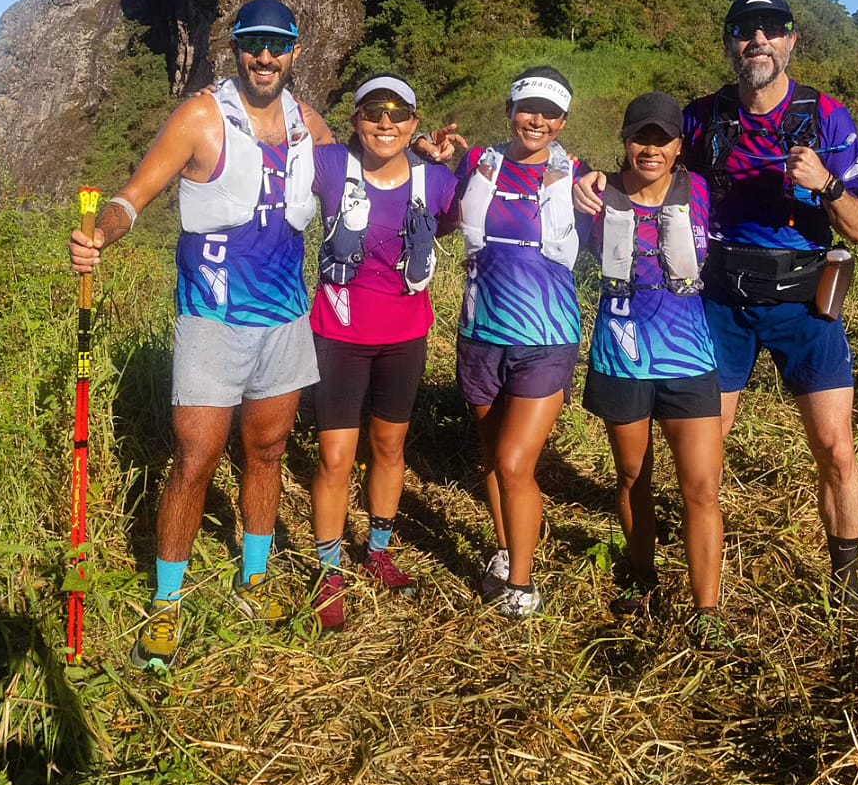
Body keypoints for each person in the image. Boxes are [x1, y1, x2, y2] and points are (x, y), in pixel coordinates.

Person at [577, 0, 858, 608]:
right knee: (703, 461)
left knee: (836, 448)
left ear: (792, 40)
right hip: (720, 301)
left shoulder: (828, 118)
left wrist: (824, 185)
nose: (758, 39)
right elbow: (648, 163)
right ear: (729, 43)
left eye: (771, 28)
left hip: (803, 299)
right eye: (745, 29)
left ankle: (844, 584)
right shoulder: (701, 117)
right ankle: (683, 583)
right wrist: (601, 180)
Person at [69, 0, 333, 668]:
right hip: (211, 319)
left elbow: (363, 183)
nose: (265, 56)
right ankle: (167, 604)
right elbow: (136, 195)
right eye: (253, 44)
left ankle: (254, 578)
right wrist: (103, 233)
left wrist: (424, 157)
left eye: (277, 44)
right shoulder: (201, 117)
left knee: (268, 451)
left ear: (294, 50)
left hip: (284, 318)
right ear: (237, 49)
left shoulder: (312, 128)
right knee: (195, 460)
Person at [307, 74, 464, 631]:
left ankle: (377, 549)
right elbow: (288, 112)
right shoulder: (329, 167)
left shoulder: (438, 180)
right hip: (339, 334)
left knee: (391, 447)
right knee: (334, 457)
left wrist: (448, 154)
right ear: (355, 121)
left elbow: (460, 210)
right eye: (373, 112)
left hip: (404, 335)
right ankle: (328, 570)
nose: (385, 123)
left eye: (399, 114)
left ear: (415, 125)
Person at [580, 92, 727, 646]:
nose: (650, 148)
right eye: (640, 137)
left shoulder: (704, 192)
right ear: (624, 141)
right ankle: (642, 577)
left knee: (701, 489)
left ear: (678, 146)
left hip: (690, 361)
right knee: (632, 476)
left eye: (661, 138)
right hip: (621, 357)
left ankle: (706, 612)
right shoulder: (596, 195)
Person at [456, 66, 585, 617]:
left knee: (513, 462)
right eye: (529, 109)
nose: (538, 121)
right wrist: (423, 141)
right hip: (481, 332)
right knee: (493, 457)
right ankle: (507, 550)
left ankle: (522, 586)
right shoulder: (479, 164)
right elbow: (428, 166)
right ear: (510, 111)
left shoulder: (577, 178)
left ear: (562, 122)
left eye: (551, 114)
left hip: (547, 337)